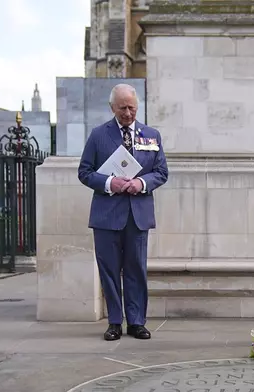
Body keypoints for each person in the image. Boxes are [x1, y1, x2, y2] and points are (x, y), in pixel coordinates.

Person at [78, 84, 169, 341]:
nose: (128, 113)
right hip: (106, 216)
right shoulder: (98, 136)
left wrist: (142, 183)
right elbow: (84, 172)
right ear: (112, 108)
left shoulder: (151, 135)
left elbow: (161, 172)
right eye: (122, 108)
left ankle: (137, 322)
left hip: (138, 215)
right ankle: (115, 322)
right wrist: (109, 183)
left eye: (132, 107)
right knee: (109, 270)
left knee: (136, 269)